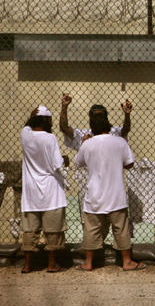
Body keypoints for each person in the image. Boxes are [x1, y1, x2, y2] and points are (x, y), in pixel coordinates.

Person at [73, 115, 145, 271]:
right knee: (121, 228)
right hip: (116, 194)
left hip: (94, 195)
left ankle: (88, 263)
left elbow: (78, 163)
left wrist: (84, 144)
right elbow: (130, 164)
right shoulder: (120, 142)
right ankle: (127, 262)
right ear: (109, 126)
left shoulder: (88, 144)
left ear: (92, 128)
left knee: (91, 229)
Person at [20, 106, 70, 273]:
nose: (51, 123)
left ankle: (27, 265)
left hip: (31, 191)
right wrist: (65, 159)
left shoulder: (25, 135)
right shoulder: (50, 138)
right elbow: (57, 164)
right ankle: (52, 264)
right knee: (53, 230)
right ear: (45, 120)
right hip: (50, 190)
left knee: (30, 229)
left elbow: (26, 126)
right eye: (49, 119)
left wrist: (30, 116)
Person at [59, 93, 132, 152]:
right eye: (96, 117)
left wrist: (127, 115)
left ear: (106, 118)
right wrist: (64, 107)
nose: (98, 120)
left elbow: (125, 130)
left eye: (100, 116)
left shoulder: (113, 132)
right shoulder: (85, 134)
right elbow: (64, 128)